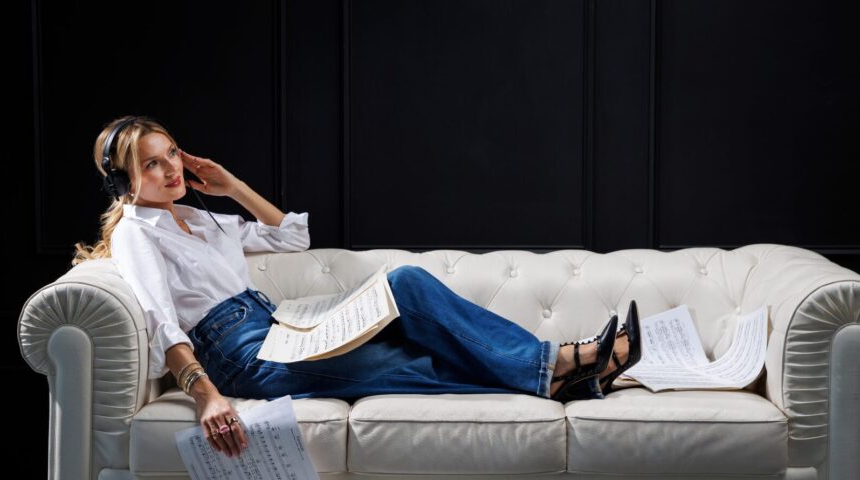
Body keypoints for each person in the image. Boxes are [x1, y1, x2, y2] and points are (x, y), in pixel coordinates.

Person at [73, 115, 642, 460]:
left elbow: (291, 239)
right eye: (151, 165)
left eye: (172, 152)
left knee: (408, 283)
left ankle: (556, 371)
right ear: (123, 182)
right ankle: (568, 368)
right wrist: (206, 395)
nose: (171, 168)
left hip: (278, 326)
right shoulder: (137, 234)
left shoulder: (196, 217)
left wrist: (233, 186)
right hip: (238, 356)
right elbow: (160, 319)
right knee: (406, 365)